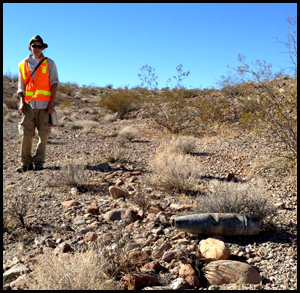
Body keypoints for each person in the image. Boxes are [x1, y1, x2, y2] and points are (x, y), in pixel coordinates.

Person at [16, 35, 59, 172]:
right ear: (30, 47)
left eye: (39, 46)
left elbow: (54, 83)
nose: (37, 48)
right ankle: (25, 163)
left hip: (45, 105)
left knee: (43, 134)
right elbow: (21, 86)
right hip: (28, 104)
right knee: (26, 134)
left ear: (43, 48)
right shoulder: (22, 64)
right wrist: (22, 103)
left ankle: (39, 162)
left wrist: (51, 103)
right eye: (34, 46)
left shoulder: (49, 63)